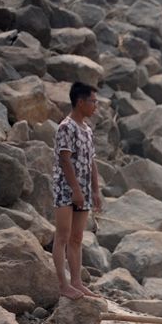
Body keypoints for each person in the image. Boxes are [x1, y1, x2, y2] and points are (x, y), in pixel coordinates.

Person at [52, 83, 102, 300]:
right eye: (93, 101)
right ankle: (63, 285)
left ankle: (77, 282)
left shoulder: (88, 130)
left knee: (77, 237)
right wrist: (75, 190)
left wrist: (96, 191)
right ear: (80, 102)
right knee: (62, 235)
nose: (95, 106)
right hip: (66, 187)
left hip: (84, 190)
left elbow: (92, 162)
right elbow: (64, 159)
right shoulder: (66, 127)